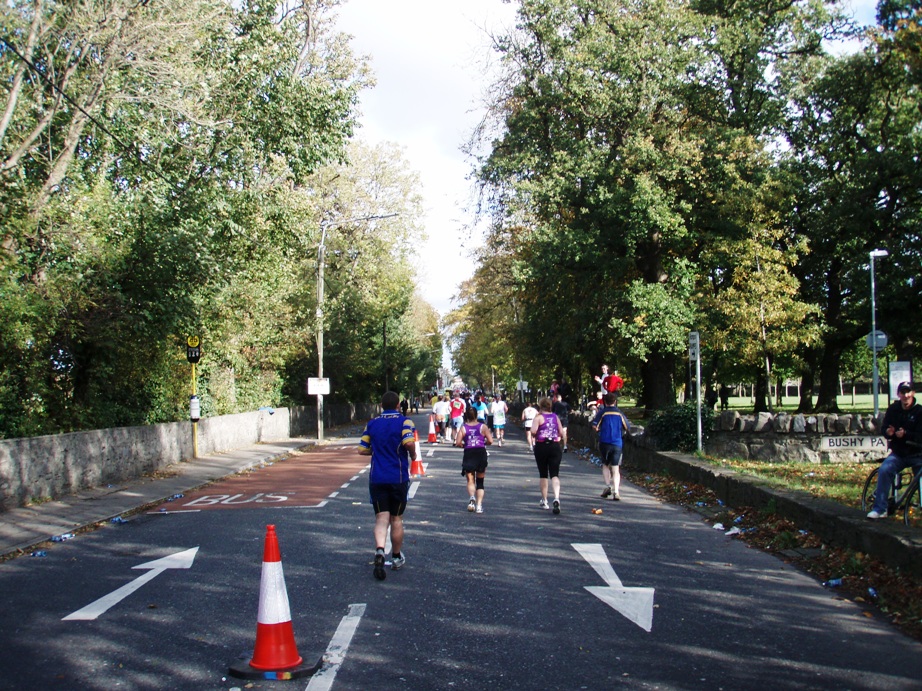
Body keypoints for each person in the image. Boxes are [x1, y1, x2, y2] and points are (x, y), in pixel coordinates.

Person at [358, 391, 418, 580]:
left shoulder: (372, 424)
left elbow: (362, 449)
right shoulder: (405, 422)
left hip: (377, 478)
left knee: (381, 518)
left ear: (382, 406)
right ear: (399, 405)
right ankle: (396, 556)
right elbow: (408, 442)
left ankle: (379, 550)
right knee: (396, 519)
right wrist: (413, 455)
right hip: (397, 477)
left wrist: (377, 452)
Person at [867, 381, 922, 519]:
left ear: (913, 393)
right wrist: (888, 432)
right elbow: (884, 428)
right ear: (899, 394)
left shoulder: (920, 411)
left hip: (917, 454)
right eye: (903, 392)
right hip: (899, 453)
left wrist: (906, 434)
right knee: (885, 469)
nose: (906, 395)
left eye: (908, 392)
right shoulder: (893, 409)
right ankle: (880, 509)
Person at [455, 405, 493, 513]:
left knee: (470, 479)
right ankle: (479, 505)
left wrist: (464, 445)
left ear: (466, 416)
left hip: (469, 453)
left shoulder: (464, 428)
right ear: (476, 415)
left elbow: (458, 442)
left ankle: (472, 498)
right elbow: (490, 441)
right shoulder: (483, 427)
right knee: (480, 481)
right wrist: (483, 442)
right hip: (480, 452)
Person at [593, 392, 630, 500]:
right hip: (617, 443)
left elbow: (594, 426)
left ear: (605, 401)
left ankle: (607, 486)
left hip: (604, 442)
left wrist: (599, 430)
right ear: (615, 401)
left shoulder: (602, 412)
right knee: (615, 467)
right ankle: (616, 491)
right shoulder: (620, 413)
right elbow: (627, 427)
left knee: (605, 464)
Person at [531, 397, 563, 513]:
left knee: (543, 473)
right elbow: (561, 432)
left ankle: (544, 500)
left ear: (540, 406)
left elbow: (533, 431)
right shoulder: (555, 417)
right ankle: (556, 497)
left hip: (542, 446)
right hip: (554, 445)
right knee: (554, 474)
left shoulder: (538, 418)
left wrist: (537, 432)